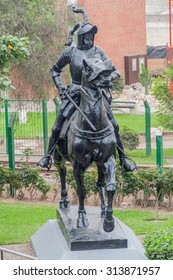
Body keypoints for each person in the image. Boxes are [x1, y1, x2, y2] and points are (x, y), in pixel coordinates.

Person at [38, 20, 136, 172]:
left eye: (92, 35)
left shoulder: (98, 51)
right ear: (81, 37)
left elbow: (115, 70)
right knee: (57, 126)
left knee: (114, 125)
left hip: (96, 94)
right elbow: (55, 70)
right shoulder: (70, 52)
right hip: (75, 94)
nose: (90, 38)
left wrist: (108, 78)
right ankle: (48, 156)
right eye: (87, 35)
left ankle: (123, 159)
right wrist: (60, 87)